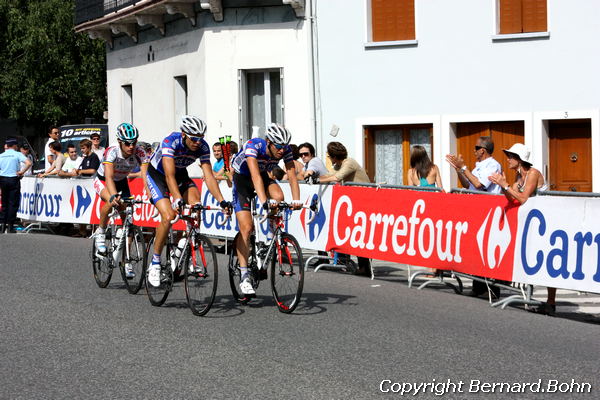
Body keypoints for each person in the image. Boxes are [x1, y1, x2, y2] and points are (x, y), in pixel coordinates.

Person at [145, 115, 231, 287]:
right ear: (184, 134)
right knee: (168, 216)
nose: (198, 142)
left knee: (196, 204)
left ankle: (185, 246)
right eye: (194, 139)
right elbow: (169, 176)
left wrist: (222, 201)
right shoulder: (171, 141)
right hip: (158, 175)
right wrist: (176, 198)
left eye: (201, 138)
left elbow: (209, 176)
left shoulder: (203, 147)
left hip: (180, 174)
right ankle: (155, 263)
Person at [231, 123, 302, 295]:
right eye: (278, 146)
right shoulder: (254, 146)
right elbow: (254, 175)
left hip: (262, 176)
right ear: (268, 141)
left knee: (278, 197)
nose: (281, 150)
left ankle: (270, 238)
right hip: (242, 179)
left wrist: (297, 200)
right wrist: (263, 201)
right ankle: (244, 275)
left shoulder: (284, 150)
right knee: (247, 228)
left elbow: (292, 176)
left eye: (284, 147)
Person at [488, 143, 555, 315]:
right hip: (534, 223)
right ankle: (534, 297)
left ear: (519, 159)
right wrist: (503, 185)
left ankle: (551, 302)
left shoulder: (533, 173)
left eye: (511, 156)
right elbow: (512, 199)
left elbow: (524, 199)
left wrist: (505, 185)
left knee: (548, 259)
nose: (508, 159)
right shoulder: (519, 179)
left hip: (548, 220)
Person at [446, 136, 503, 298]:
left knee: (486, 249)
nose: (474, 150)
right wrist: (458, 170)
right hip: (476, 211)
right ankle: (478, 287)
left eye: (476, 147)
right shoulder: (479, 166)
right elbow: (468, 184)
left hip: (488, 213)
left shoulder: (493, 165)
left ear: (483, 150)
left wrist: (463, 167)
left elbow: (480, 185)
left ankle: (491, 289)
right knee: (476, 250)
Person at [93, 123, 148, 278]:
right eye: (127, 143)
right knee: (111, 202)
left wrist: (151, 196)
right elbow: (109, 177)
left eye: (134, 142)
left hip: (122, 181)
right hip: (104, 180)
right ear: (119, 141)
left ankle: (126, 260)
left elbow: (146, 177)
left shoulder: (140, 152)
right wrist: (113, 195)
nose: (131, 146)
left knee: (128, 221)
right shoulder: (112, 152)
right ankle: (101, 233)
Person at [319, 141, 372, 276]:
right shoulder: (340, 164)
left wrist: (319, 180)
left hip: (364, 202)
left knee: (360, 234)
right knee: (351, 231)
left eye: (329, 156)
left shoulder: (349, 163)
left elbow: (336, 178)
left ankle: (365, 267)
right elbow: (329, 175)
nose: (329, 159)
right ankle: (348, 262)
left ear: (333, 156)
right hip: (354, 203)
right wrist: (313, 176)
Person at [0, 138, 31, 233]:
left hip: (3, 179)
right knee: (13, 203)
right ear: (13, 146)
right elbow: (29, 163)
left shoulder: (1, 155)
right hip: (14, 179)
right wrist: (21, 172)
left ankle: (2, 226)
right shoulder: (17, 154)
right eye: (16, 145)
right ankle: (10, 227)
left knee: (4, 203)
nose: (17, 147)